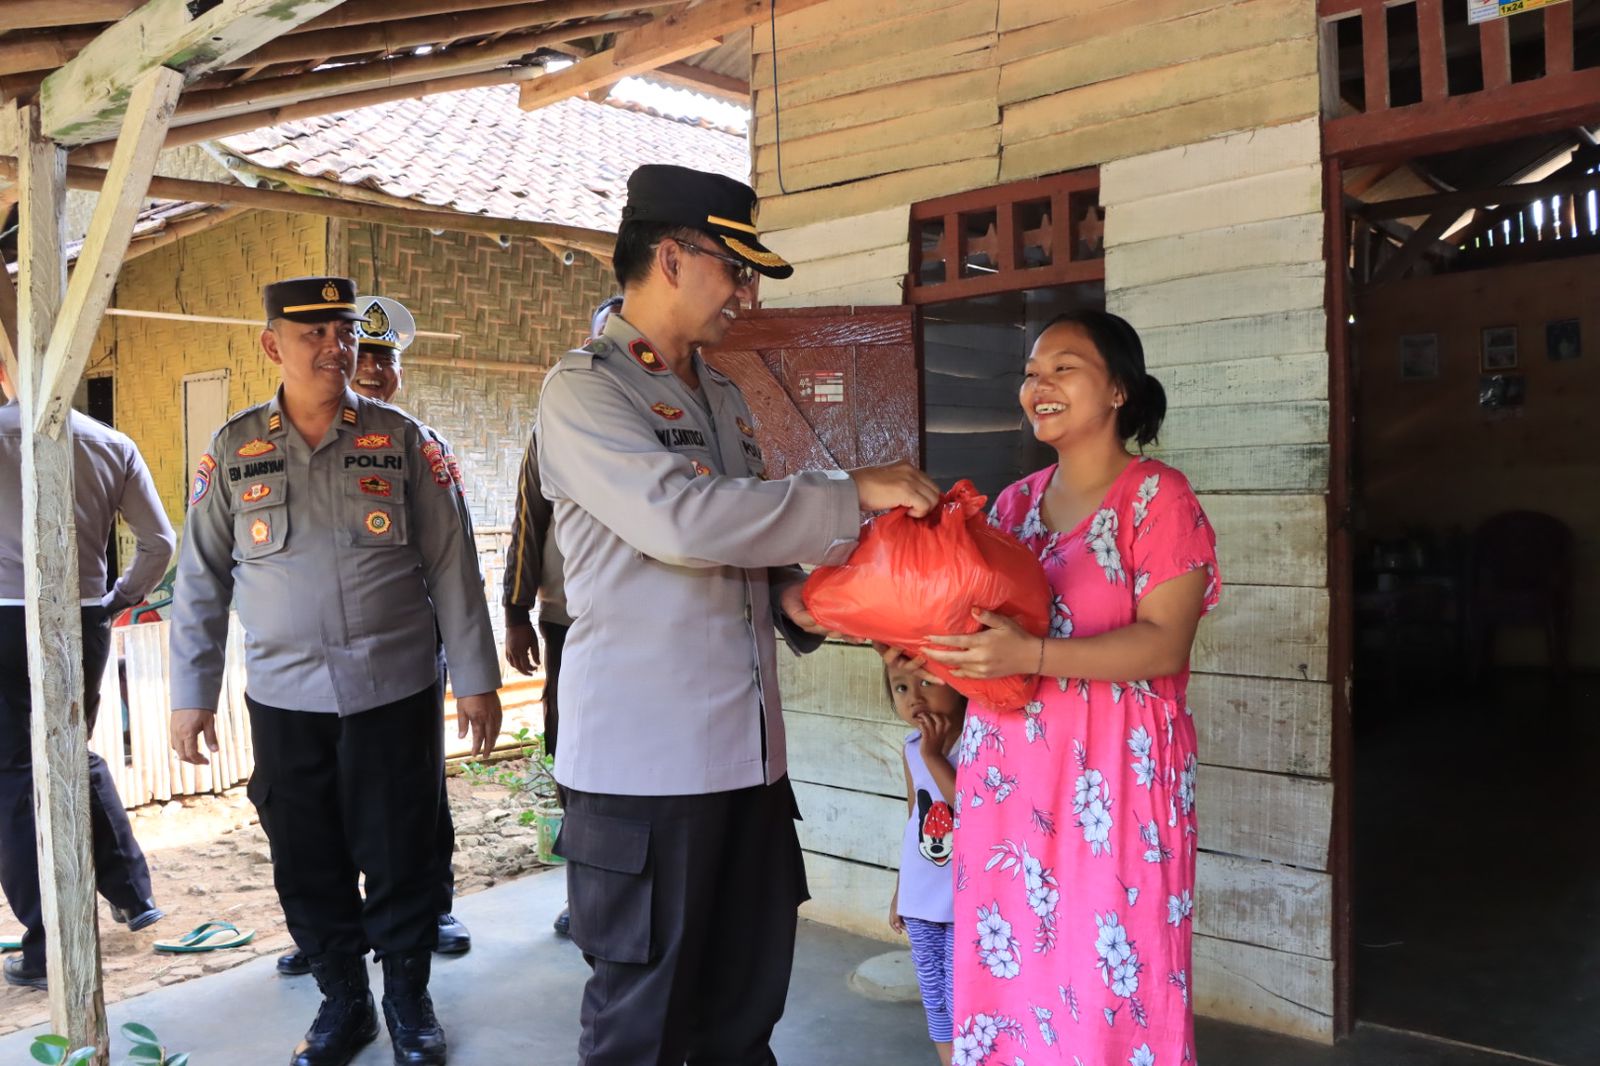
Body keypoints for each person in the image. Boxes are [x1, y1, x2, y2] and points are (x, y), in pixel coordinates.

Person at [536, 163, 941, 1064]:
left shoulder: (718, 393)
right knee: (643, 1027)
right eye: (737, 268)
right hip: (646, 772)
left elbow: (737, 557)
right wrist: (851, 491)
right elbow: (683, 523)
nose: (746, 294)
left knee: (742, 1015)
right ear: (674, 259)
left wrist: (816, 599)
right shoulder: (587, 391)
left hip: (747, 765)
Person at [168, 276, 503, 1066]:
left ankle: (409, 1002)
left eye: (343, 331)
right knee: (306, 854)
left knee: (402, 849)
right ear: (272, 343)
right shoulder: (234, 450)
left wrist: (477, 680)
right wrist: (190, 696)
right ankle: (343, 1002)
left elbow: (455, 567)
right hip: (284, 698)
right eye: (313, 331)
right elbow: (200, 579)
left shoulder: (406, 442)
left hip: (392, 687)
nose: (334, 346)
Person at [914, 310, 1220, 1066]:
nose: (1038, 385)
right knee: (1014, 960)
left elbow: (1163, 641)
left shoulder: (1158, 499)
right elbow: (990, 641)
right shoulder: (1011, 507)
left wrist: (1033, 653)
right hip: (1011, 783)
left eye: (1063, 367)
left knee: (1113, 964)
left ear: (1118, 389)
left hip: (1116, 782)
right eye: (1030, 372)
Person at [271, 295, 471, 980]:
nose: (375, 371)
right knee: (314, 805)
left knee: (411, 794)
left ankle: (430, 905)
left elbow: (454, 557)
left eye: (385, 359)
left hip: (407, 648)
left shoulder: (417, 442)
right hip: (311, 664)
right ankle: (333, 934)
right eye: (371, 357)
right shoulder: (275, 440)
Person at [0, 363, 171, 991]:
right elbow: (159, 543)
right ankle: (130, 890)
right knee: (71, 751)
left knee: (15, 774)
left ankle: (48, 945)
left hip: (2, 621)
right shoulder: (111, 443)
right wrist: (116, 599)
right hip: (82, 616)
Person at [503, 293, 621, 939]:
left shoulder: (665, 418)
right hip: (568, 618)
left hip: (645, 624)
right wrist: (516, 609)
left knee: (634, 756)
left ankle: (627, 889)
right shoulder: (557, 418)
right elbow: (530, 515)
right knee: (570, 748)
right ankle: (585, 892)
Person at [885, 662, 966, 1066]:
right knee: (934, 999)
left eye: (926, 681)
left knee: (959, 996)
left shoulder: (977, 742)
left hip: (961, 900)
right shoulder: (910, 747)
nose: (913, 696)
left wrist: (934, 755)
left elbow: (972, 809)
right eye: (900, 687)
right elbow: (912, 818)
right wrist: (902, 889)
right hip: (921, 897)